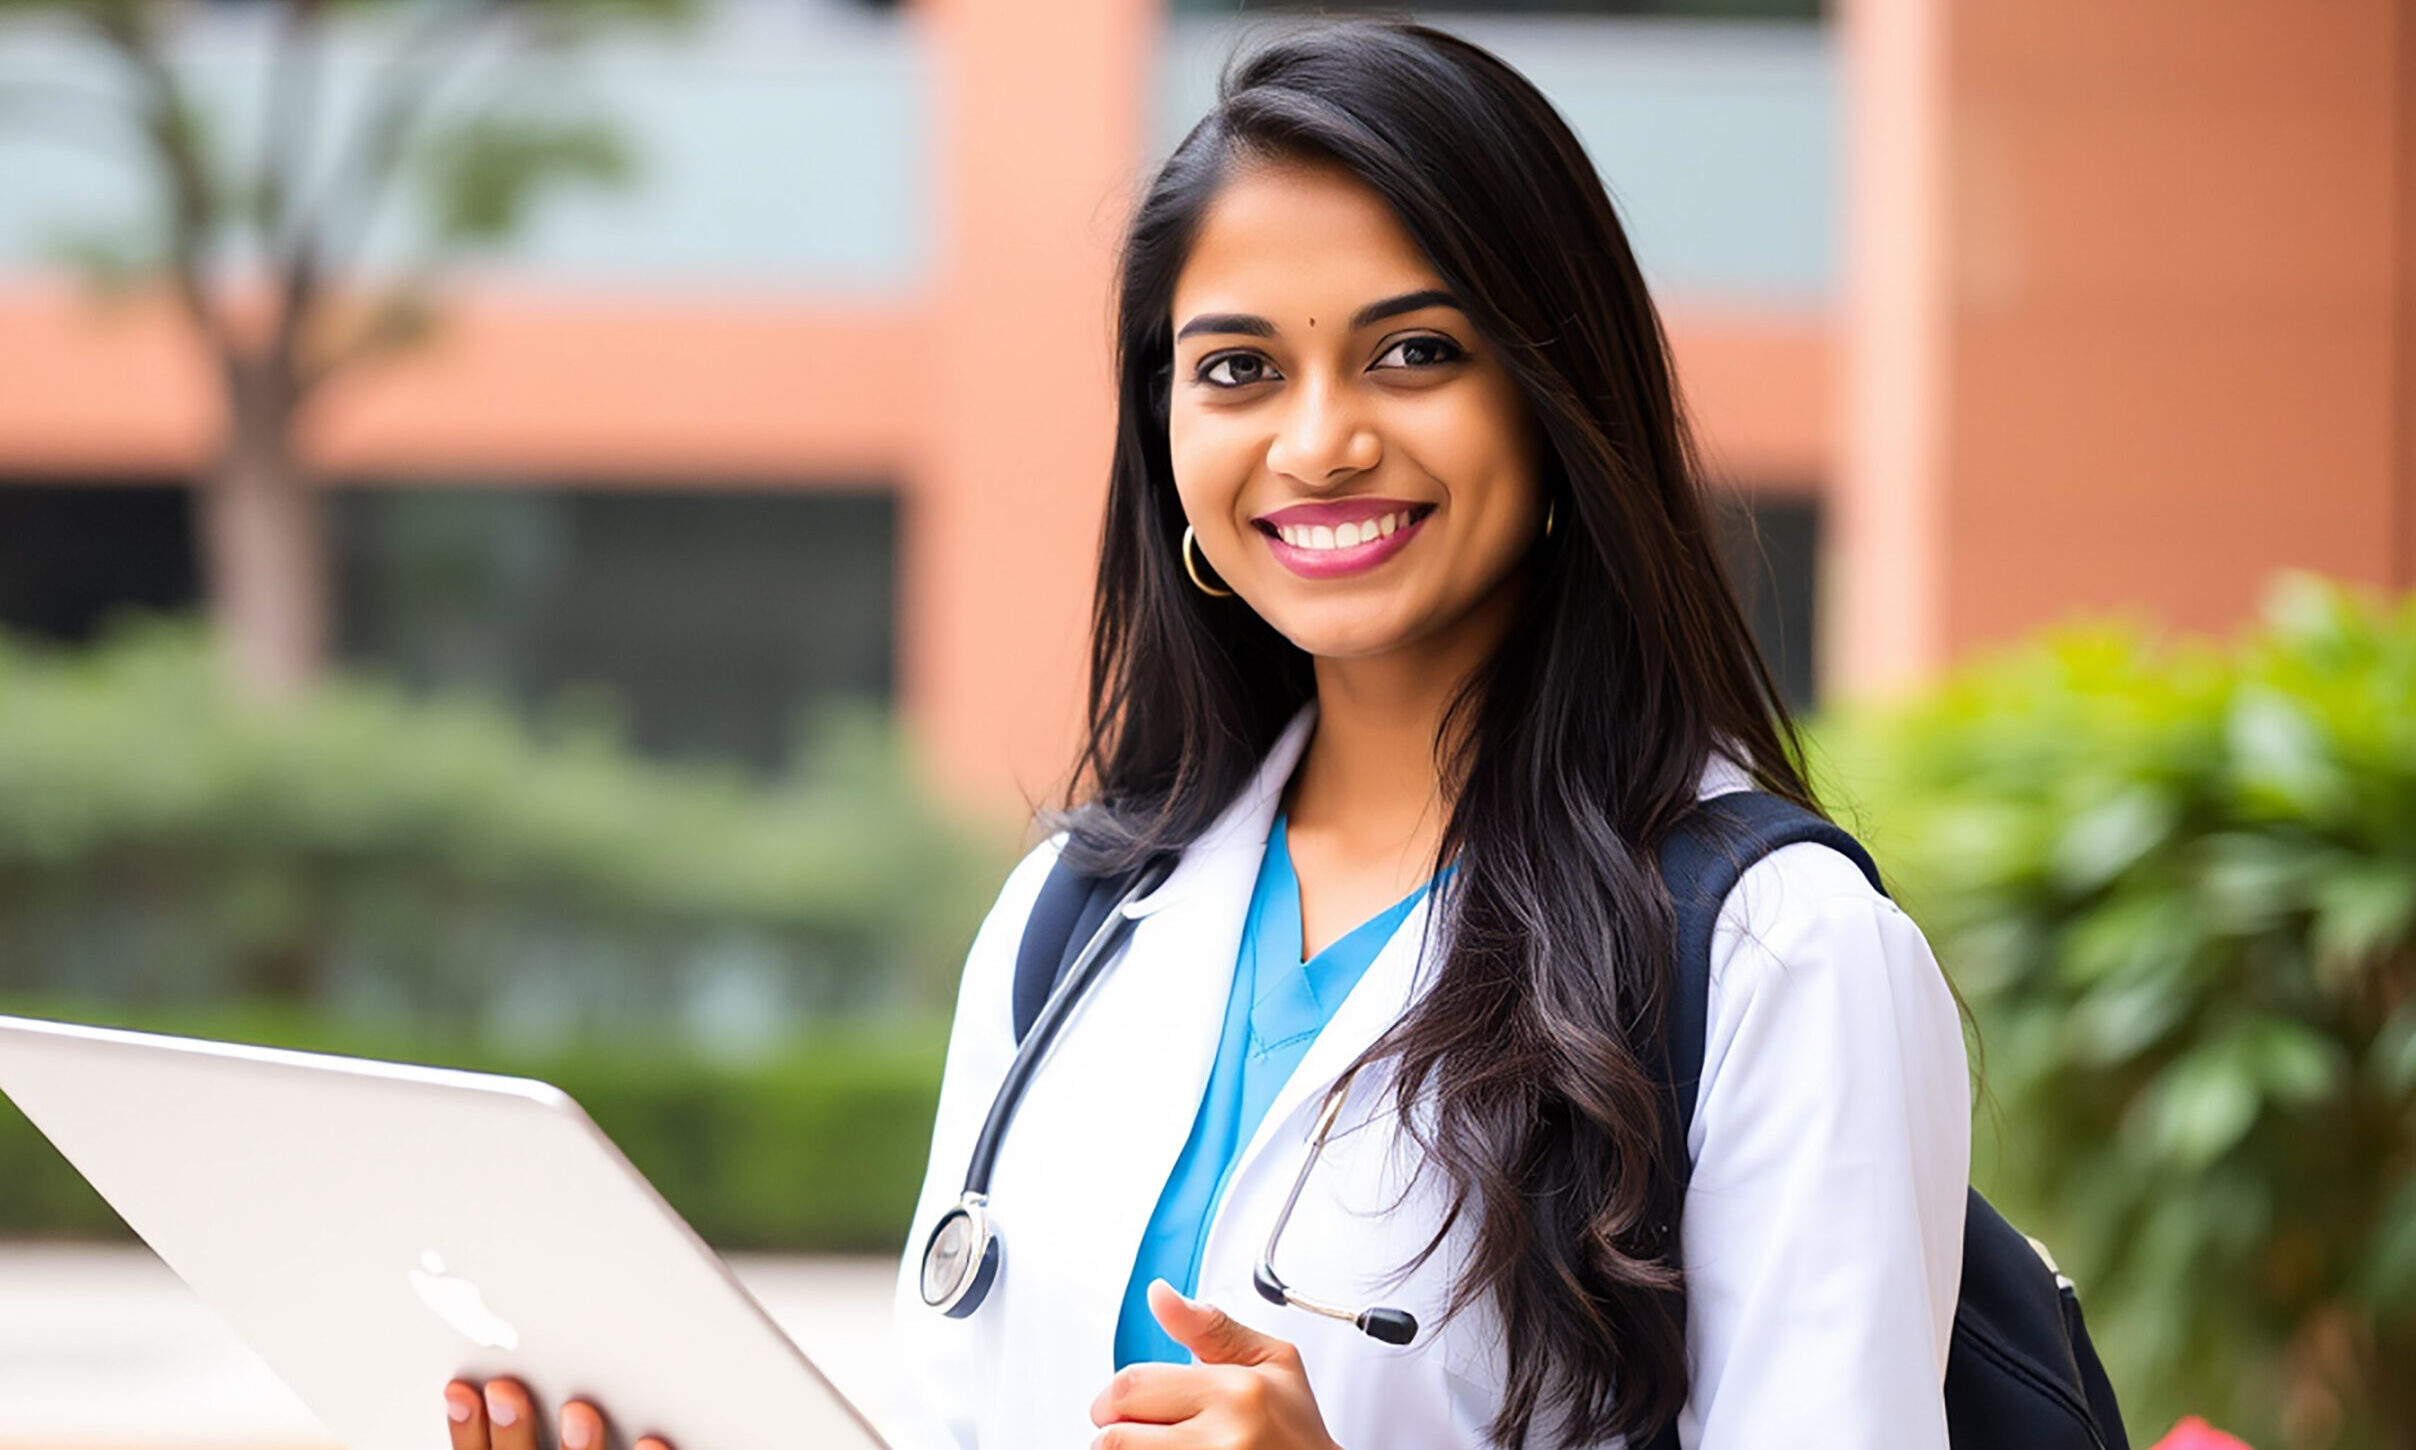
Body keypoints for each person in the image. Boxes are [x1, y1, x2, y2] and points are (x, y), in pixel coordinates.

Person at [443, 19, 1967, 1450]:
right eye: (1238, 369)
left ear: (1558, 405)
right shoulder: (1073, 918)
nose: (1319, 442)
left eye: (1415, 352)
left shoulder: (1776, 953)